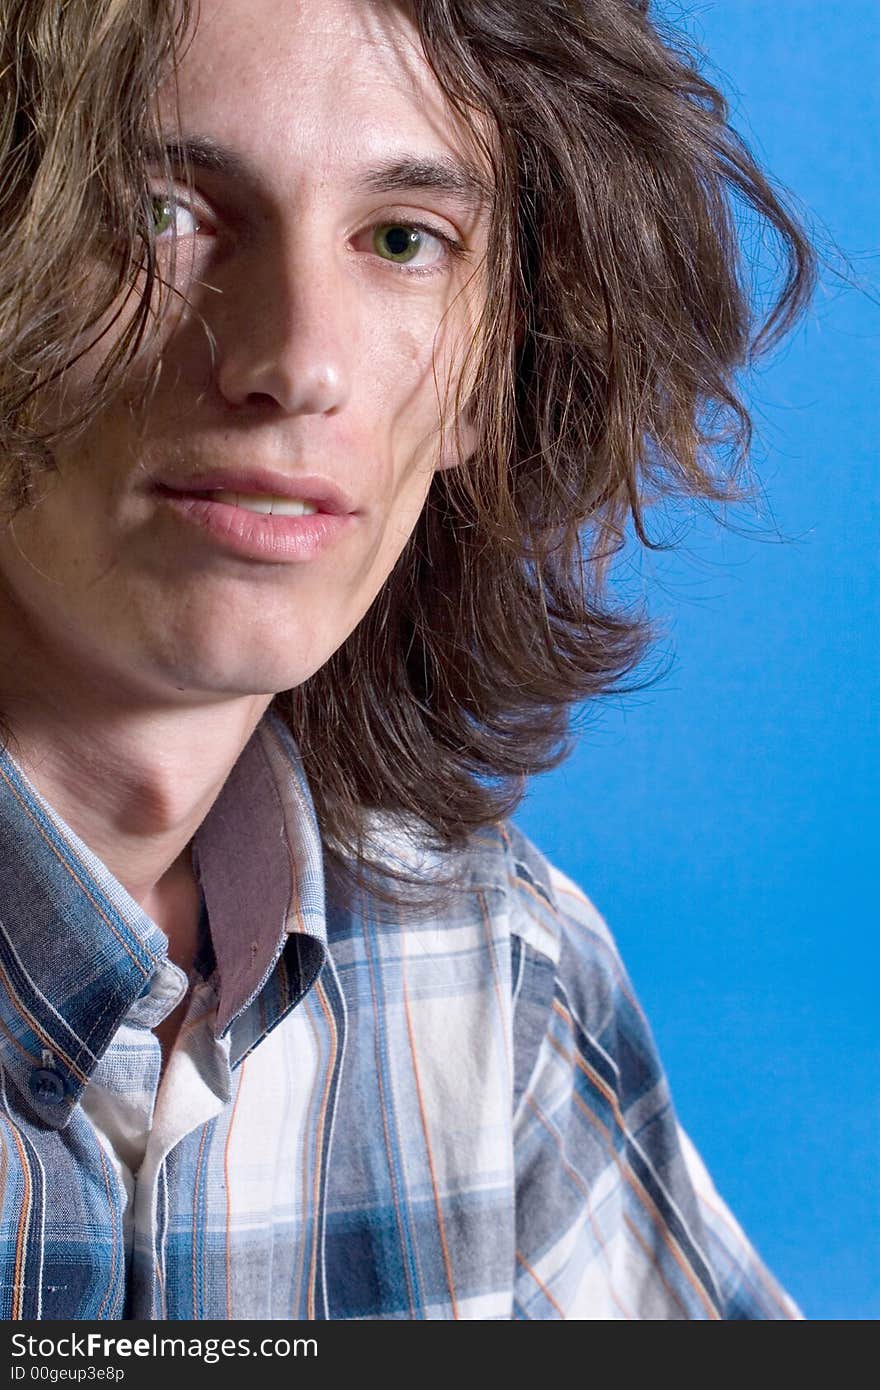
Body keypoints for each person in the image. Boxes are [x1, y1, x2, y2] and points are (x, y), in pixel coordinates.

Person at [0, 0, 815, 1321]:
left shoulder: (493, 967)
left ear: (491, 373)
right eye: (157, 212)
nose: (297, 362)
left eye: (401, 241)